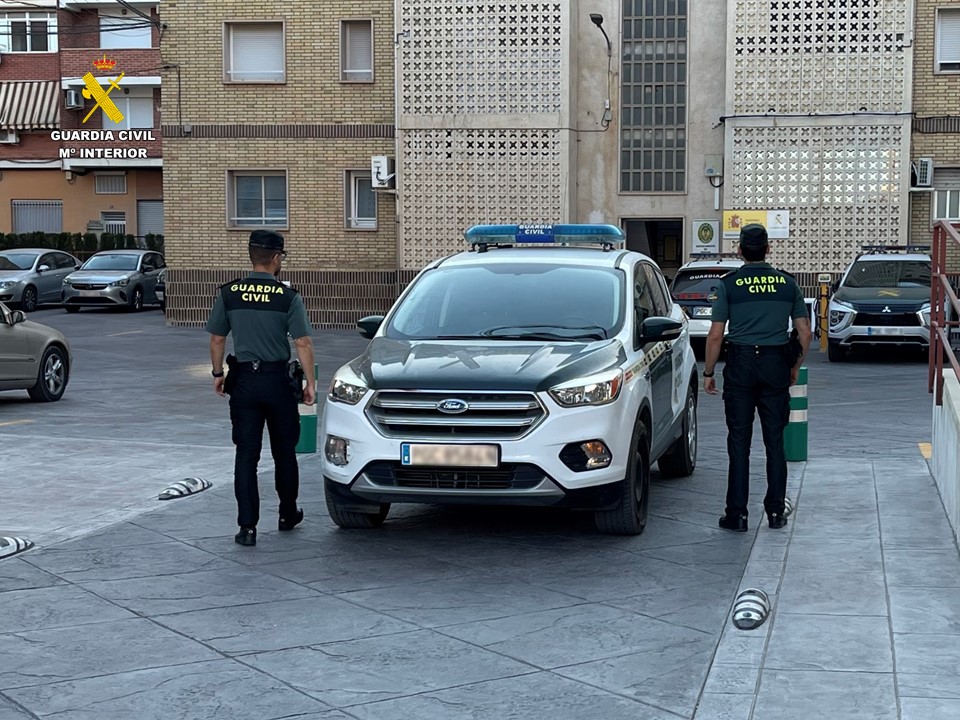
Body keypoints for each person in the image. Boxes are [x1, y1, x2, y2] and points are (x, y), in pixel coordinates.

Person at [206, 230, 317, 546]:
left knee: (246, 455)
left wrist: (218, 373)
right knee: (284, 453)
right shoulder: (287, 297)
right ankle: (287, 514)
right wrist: (310, 382)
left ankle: (247, 528)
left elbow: (217, 338)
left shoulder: (229, 293)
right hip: (277, 382)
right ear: (276, 257)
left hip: (243, 383)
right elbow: (303, 342)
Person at [703, 223, 812, 532]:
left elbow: (715, 335)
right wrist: (794, 366)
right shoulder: (787, 284)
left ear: (740, 250)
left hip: (740, 365)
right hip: (776, 364)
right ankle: (775, 512)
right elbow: (805, 332)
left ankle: (737, 515)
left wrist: (709, 373)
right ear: (768, 249)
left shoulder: (729, 285)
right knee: (774, 441)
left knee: (739, 442)